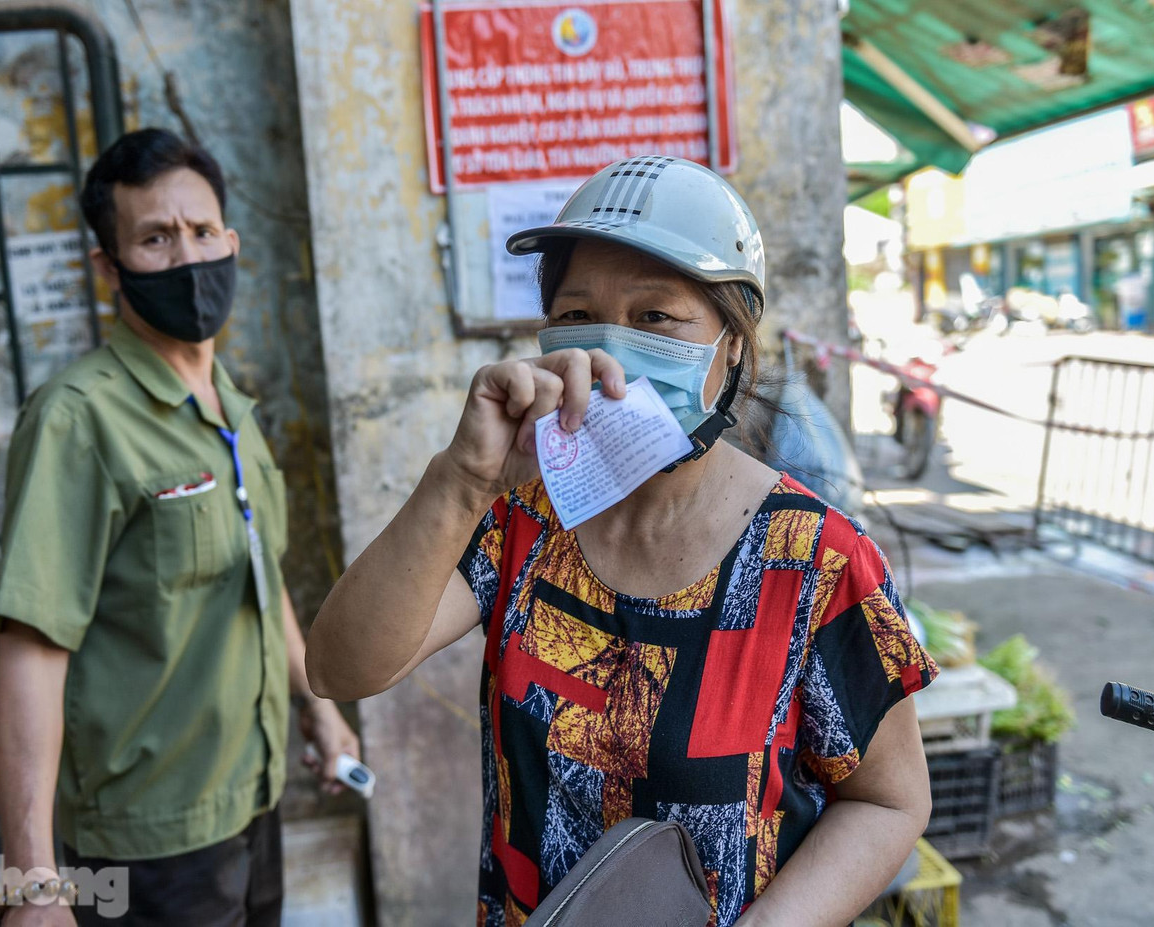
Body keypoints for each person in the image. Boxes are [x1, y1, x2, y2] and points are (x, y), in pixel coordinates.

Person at [305, 156, 937, 926]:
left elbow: (889, 801)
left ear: (732, 345)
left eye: (655, 317)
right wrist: (462, 478)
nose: (607, 351)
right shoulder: (522, 519)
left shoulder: (814, 560)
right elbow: (343, 667)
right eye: (576, 316)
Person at [0, 128, 360, 927]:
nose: (186, 257)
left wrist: (318, 706)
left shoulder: (229, 404)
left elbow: (258, 574)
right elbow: (30, 648)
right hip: (148, 841)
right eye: (155, 238)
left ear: (230, 240)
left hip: (253, 799)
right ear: (108, 267)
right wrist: (32, 880)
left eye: (200, 232)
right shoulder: (79, 420)